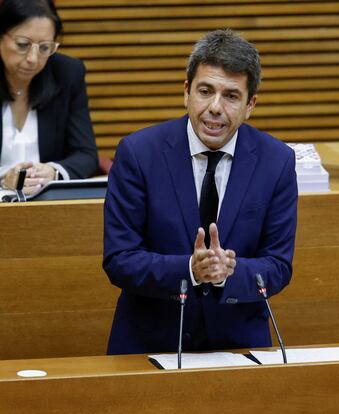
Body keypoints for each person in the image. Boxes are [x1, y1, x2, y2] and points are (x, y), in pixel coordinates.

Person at [103, 29, 298, 354]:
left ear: (250, 105)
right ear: (186, 92)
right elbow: (120, 259)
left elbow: (278, 265)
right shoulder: (138, 153)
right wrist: (190, 270)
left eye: (231, 96)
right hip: (150, 343)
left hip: (238, 345)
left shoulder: (276, 161)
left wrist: (228, 273)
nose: (215, 107)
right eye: (205, 91)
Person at [0, 0, 98, 195]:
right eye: (22, 45)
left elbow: (86, 154)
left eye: (44, 48)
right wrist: (4, 178)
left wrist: (52, 171)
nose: (33, 59)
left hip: (46, 203)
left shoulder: (67, 74)